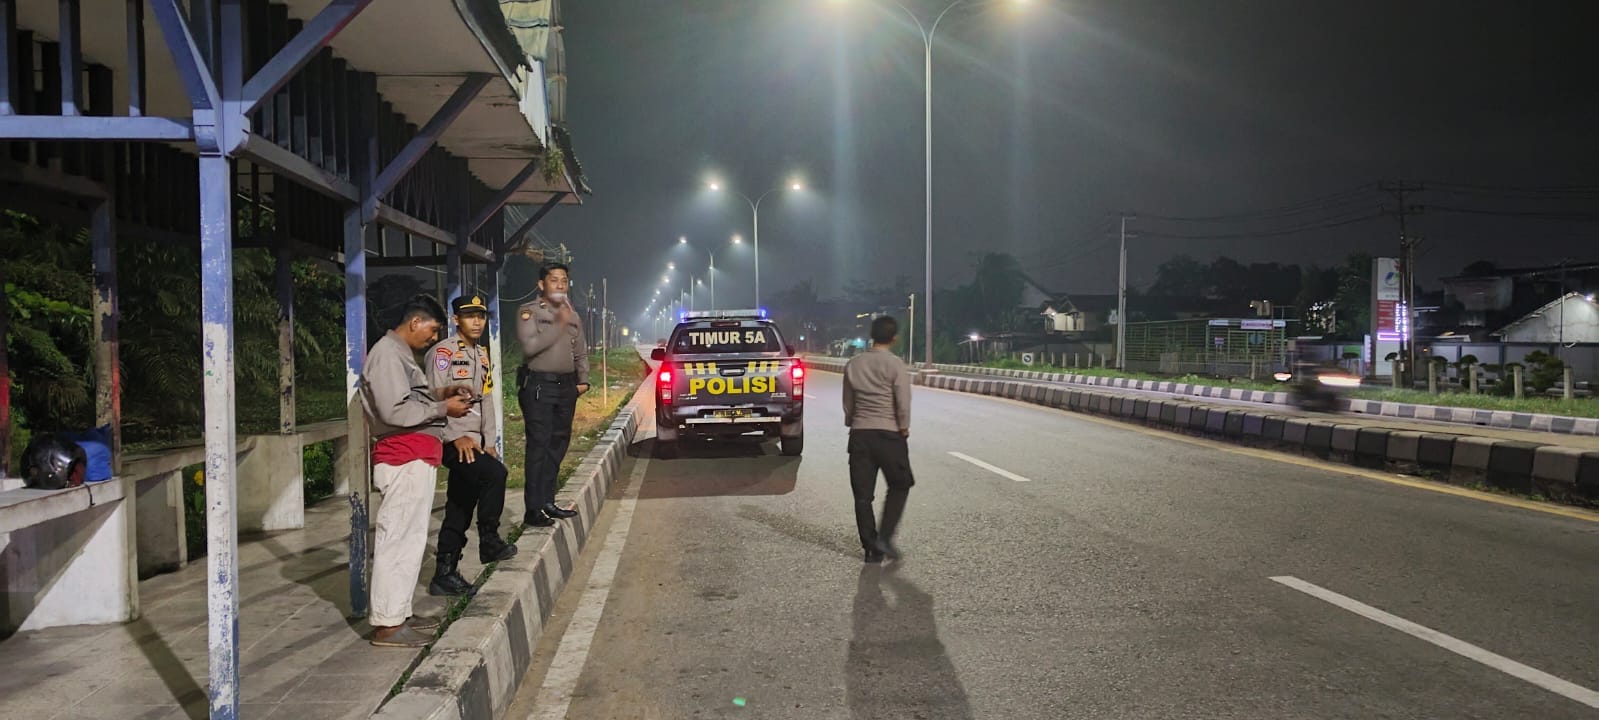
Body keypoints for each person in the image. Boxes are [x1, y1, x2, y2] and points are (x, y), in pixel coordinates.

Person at [359, 295, 472, 647]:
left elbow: (412, 398)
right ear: (414, 322)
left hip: (415, 456)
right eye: (433, 329)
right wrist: (442, 408)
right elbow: (394, 411)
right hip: (402, 456)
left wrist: (444, 393)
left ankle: (399, 613)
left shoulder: (399, 355)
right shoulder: (387, 354)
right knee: (398, 542)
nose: (433, 337)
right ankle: (389, 625)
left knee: (410, 542)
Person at [425, 294, 519, 598]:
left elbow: (487, 401)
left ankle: (445, 573)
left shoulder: (482, 355)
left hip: (475, 442)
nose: (477, 321)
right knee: (495, 475)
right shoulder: (442, 353)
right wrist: (454, 436)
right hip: (452, 439)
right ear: (456, 321)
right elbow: (434, 398)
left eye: (480, 316)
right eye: (469, 316)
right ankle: (489, 540)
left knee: (459, 504)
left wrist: (489, 441)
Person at [516, 263, 589, 528]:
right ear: (541, 285)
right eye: (554, 280)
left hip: (566, 387)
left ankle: (548, 500)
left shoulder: (573, 316)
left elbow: (580, 350)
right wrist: (558, 324)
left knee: (558, 444)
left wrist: (583, 380)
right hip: (539, 387)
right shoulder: (529, 312)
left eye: (564, 281)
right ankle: (532, 509)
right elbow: (530, 346)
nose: (560, 285)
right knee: (539, 445)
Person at [842, 315, 914, 564]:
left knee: (863, 495)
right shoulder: (896, 365)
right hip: (889, 435)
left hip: (860, 435)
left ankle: (871, 547)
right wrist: (903, 427)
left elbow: (848, 402)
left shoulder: (853, 363)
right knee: (900, 484)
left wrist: (853, 421)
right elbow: (903, 401)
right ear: (894, 338)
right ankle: (883, 536)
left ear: (872, 335)